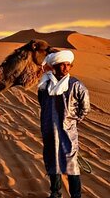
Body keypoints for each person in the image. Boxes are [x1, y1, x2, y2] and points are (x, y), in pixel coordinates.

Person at [37, 50, 90, 198]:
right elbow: (42, 103)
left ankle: (76, 194)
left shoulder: (76, 85)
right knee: (52, 161)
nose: (66, 68)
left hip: (68, 132)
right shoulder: (45, 85)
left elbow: (85, 108)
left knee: (71, 164)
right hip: (49, 130)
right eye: (62, 65)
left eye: (68, 65)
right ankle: (55, 193)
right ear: (55, 66)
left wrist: (72, 121)